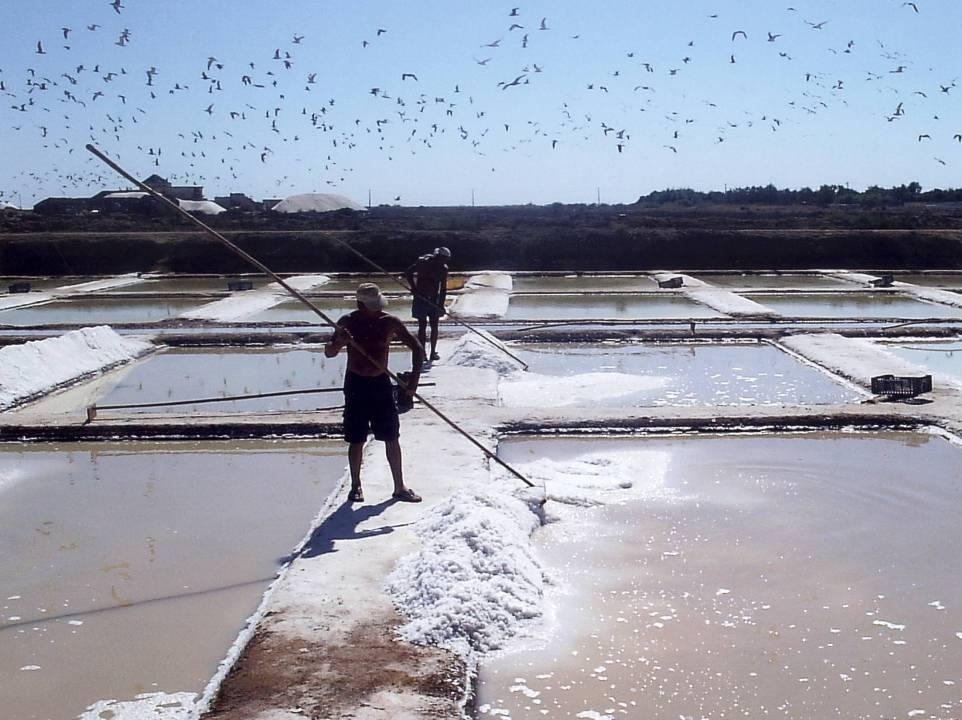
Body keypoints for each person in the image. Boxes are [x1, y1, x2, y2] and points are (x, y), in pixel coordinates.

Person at [325, 283, 424, 503]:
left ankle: (399, 487)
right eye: (371, 305)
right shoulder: (347, 323)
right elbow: (329, 353)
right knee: (356, 438)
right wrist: (340, 343)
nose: (376, 309)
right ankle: (356, 486)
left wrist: (413, 384)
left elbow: (417, 348)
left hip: (380, 383)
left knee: (391, 436)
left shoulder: (388, 322)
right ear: (360, 304)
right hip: (356, 384)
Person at [404, 246, 451, 362]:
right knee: (423, 326)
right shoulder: (423, 263)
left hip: (433, 299)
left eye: (445, 259)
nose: (444, 261)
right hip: (421, 298)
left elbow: (443, 289)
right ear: (438, 257)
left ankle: (432, 353)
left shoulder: (442, 268)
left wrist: (440, 305)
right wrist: (414, 288)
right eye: (443, 259)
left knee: (433, 326)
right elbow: (408, 273)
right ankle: (422, 353)